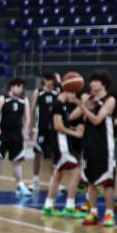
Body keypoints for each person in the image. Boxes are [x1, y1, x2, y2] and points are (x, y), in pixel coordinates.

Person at [76, 69, 117, 226]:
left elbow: (97, 120)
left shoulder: (110, 100)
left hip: (105, 146)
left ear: (103, 83)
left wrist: (83, 106)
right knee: (90, 180)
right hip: (89, 144)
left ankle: (109, 214)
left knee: (107, 181)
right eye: (91, 81)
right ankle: (93, 213)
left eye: (95, 81)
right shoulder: (88, 99)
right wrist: (80, 102)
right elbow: (73, 116)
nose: (91, 83)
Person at [40, 87, 84, 217]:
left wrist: (73, 128)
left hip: (61, 145)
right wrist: (75, 134)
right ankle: (70, 207)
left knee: (57, 176)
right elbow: (58, 126)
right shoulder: (58, 105)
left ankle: (48, 205)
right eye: (73, 93)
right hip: (62, 146)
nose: (74, 96)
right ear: (67, 91)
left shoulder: (62, 105)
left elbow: (62, 125)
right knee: (76, 173)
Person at [0, 77, 32, 197]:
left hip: (17, 135)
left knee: (17, 161)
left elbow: (27, 118)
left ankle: (20, 184)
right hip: (4, 134)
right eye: (18, 86)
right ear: (11, 87)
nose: (20, 89)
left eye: (22, 87)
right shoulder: (3, 99)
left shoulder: (24, 100)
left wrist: (25, 131)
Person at [27, 71, 60, 193]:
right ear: (43, 80)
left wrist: (59, 81)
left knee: (55, 155)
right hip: (41, 127)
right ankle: (35, 179)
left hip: (54, 128)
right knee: (38, 153)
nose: (49, 82)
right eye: (47, 79)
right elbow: (32, 110)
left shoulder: (57, 92)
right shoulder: (38, 92)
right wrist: (30, 127)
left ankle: (54, 180)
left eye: (51, 79)